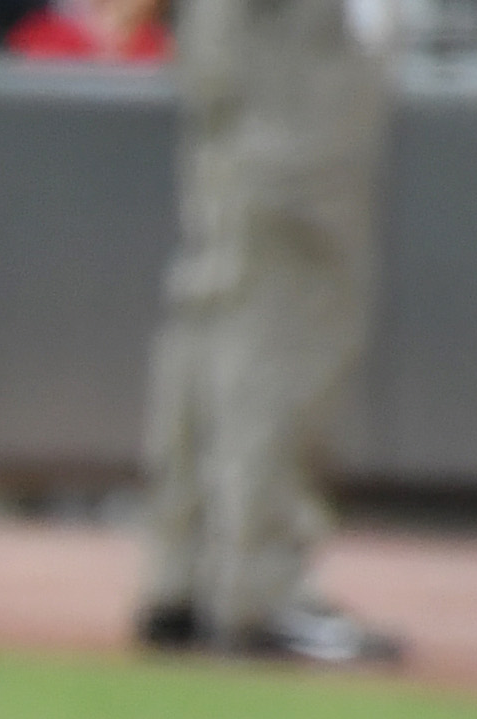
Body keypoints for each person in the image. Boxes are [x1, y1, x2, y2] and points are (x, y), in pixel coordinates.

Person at [134, 0, 408, 667]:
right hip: (293, 39)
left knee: (225, 287)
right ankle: (260, 585)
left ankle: (190, 572)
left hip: (242, 37)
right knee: (289, 296)